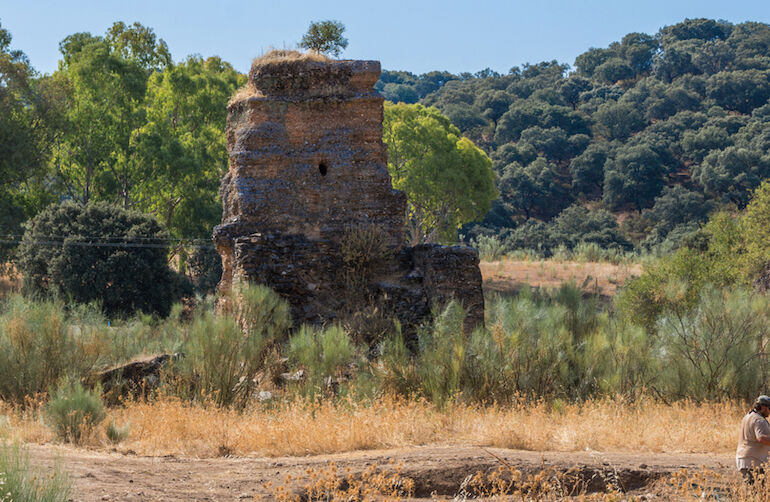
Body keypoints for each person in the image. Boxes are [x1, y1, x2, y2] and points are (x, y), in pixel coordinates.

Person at [736, 395, 770, 484]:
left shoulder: (748, 416)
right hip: (755, 462)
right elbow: (761, 438)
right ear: (763, 407)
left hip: (743, 460)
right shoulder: (759, 420)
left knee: (752, 493)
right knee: (760, 493)